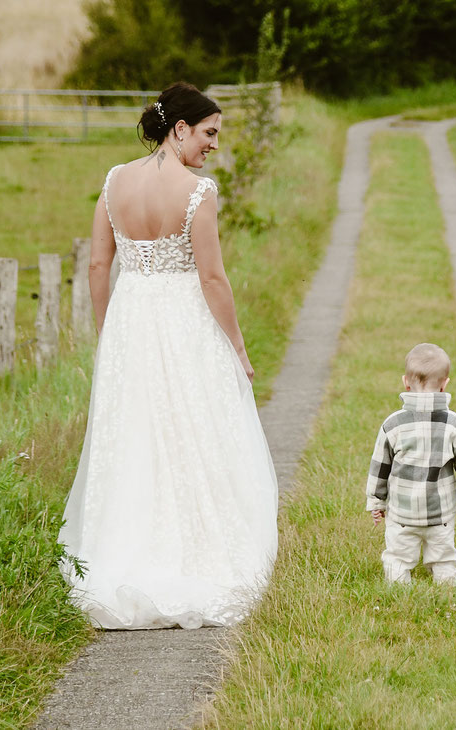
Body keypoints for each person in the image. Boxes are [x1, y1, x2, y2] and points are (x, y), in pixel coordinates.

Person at [57, 82, 279, 629]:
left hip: (130, 319)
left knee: (136, 433)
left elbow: (98, 266)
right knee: (193, 428)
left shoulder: (115, 181)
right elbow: (212, 278)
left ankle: (126, 551)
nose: (214, 145)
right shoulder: (198, 192)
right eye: (209, 133)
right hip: (184, 321)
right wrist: (238, 346)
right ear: (180, 128)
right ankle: (194, 552)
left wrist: (108, 333)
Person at [366, 342, 456, 586]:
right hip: (440, 514)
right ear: (445, 384)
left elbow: (380, 466)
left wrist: (376, 501)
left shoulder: (393, 425)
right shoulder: (455, 425)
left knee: (398, 558)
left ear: (405, 383)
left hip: (402, 514)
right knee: (443, 559)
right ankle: (446, 591)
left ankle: (399, 592)